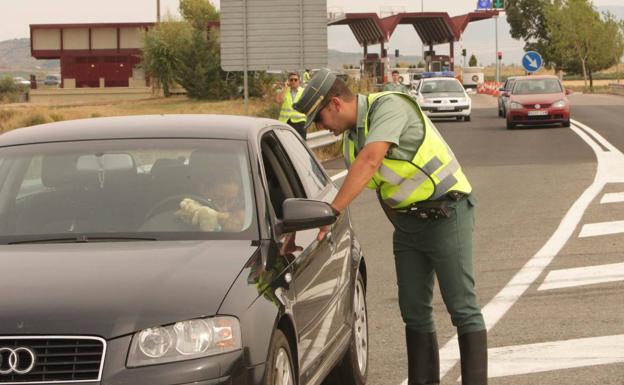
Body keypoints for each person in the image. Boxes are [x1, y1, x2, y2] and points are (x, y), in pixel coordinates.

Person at [293, 69, 487, 385]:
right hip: (408, 224)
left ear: (336, 104)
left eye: (320, 118)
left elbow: (371, 162)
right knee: (413, 310)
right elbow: (382, 188)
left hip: (448, 212)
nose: (321, 127)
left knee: (462, 308)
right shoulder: (350, 143)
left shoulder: (389, 107)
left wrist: (332, 212)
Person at [276, 72, 308, 139]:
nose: (293, 81)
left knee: (300, 145)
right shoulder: (285, 91)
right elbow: (278, 101)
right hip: (285, 122)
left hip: (300, 124)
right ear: (288, 81)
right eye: (291, 80)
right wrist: (285, 88)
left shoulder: (304, 92)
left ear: (299, 81)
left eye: (295, 80)